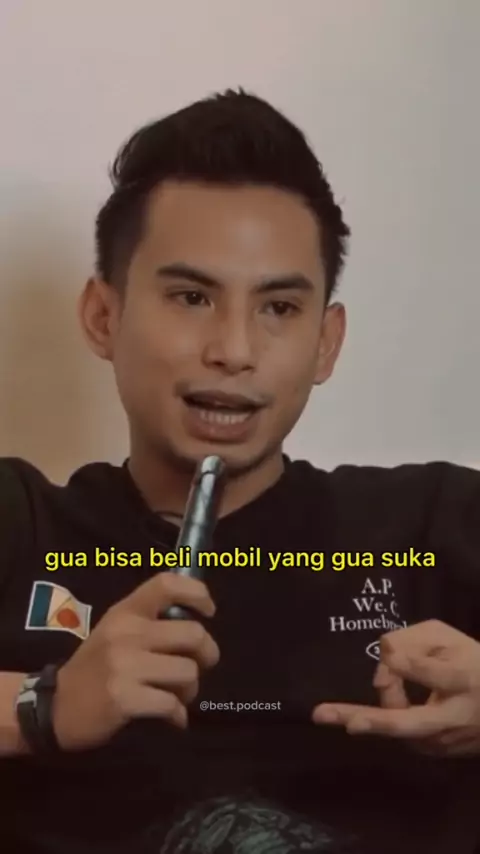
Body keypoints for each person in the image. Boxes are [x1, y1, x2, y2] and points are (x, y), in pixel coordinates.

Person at [0, 87, 479, 854]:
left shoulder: (437, 522)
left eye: (278, 308)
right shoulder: (20, 524)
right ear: (103, 316)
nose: (234, 349)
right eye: (192, 296)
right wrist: (41, 707)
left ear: (326, 343)